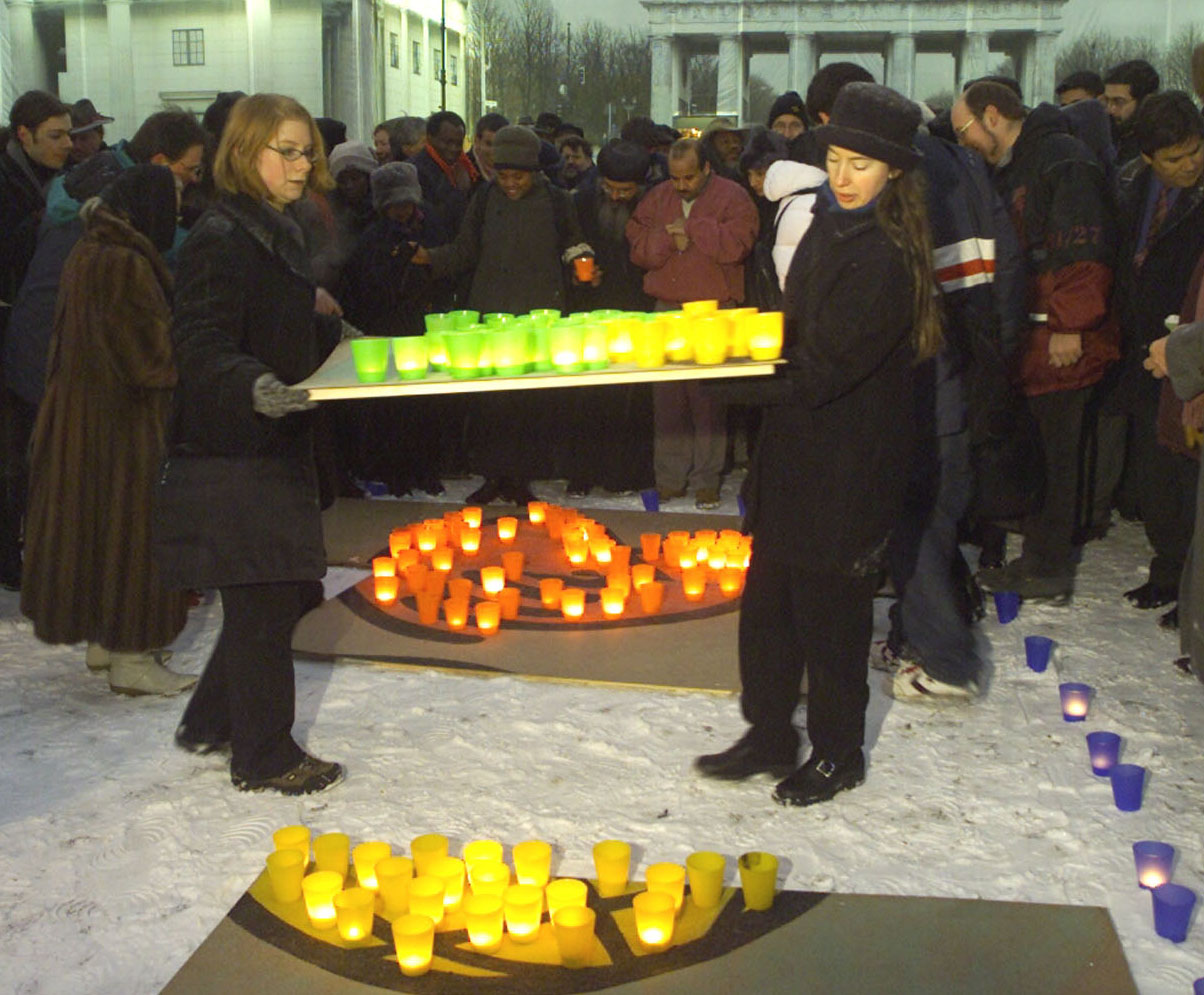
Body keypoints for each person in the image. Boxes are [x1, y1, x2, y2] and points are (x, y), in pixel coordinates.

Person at [695, 82, 941, 805]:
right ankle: (769, 730)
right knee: (768, 606)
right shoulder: (831, 224)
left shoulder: (887, 254)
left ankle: (839, 753)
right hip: (795, 451)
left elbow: (826, 369)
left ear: (893, 171)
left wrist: (728, 382)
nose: (843, 177)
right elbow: (794, 330)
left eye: (861, 165)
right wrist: (734, 343)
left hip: (849, 463)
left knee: (831, 618)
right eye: (834, 160)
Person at [155, 92, 344, 795]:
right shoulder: (221, 235)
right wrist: (255, 384)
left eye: (307, 152)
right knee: (266, 599)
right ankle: (265, 756)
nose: (302, 166)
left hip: (270, 443)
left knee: (283, 591)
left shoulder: (272, 227)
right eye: (287, 151)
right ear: (243, 152)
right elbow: (199, 339)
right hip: (234, 450)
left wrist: (332, 334)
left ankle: (212, 719)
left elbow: (271, 318)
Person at [21, 165, 194, 694]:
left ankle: (105, 638)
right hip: (124, 424)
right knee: (135, 535)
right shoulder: (125, 263)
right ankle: (132, 653)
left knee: (97, 531)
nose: (178, 213)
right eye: (173, 202)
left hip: (81, 416)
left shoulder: (89, 249)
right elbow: (148, 360)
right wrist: (191, 356)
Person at [954, 81, 1119, 603]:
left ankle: (1048, 566)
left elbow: (1084, 245)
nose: (963, 142)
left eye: (964, 130)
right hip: (1034, 333)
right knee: (1038, 451)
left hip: (1061, 335)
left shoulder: (1061, 159)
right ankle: (1037, 555)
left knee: (1058, 454)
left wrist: (1070, 323)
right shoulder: (1019, 163)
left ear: (992, 116)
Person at [413, 124, 593, 506]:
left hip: (539, 315)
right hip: (492, 313)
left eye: (518, 177)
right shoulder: (483, 198)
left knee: (528, 401)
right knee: (491, 401)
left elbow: (574, 243)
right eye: (503, 175)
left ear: (535, 172)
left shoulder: (557, 201)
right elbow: (465, 250)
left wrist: (584, 264)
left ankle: (521, 477)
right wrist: (431, 258)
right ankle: (493, 475)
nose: (510, 184)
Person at [1110, 92, 1204, 620]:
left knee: (1191, 475)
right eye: (1174, 158)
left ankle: (1194, 591)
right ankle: (1167, 571)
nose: (1190, 165)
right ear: (1148, 158)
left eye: (1196, 151)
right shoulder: (1128, 185)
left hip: (1193, 355)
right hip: (1144, 351)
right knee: (1156, 471)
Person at [627, 137, 759, 510]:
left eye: (689, 177)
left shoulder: (734, 197)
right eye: (675, 178)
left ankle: (707, 481)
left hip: (714, 310)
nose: (681, 185)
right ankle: (669, 479)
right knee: (667, 402)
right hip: (666, 309)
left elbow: (738, 246)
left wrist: (694, 228)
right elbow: (637, 246)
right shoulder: (657, 197)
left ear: (706, 169)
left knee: (708, 403)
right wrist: (668, 238)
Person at [0, 90, 73, 591]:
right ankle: (9, 558)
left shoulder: (49, 181)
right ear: (23, 135)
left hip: (30, 329)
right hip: (11, 329)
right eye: (55, 135)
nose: (66, 144)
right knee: (11, 455)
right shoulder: (12, 186)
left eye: (67, 134)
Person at [412, 110, 478, 235]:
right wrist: (460, 191)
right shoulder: (417, 171)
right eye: (448, 142)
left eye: (458, 144)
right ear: (430, 138)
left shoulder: (464, 167)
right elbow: (434, 219)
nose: (454, 149)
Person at [1104, 60, 1160, 167]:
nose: (1110, 109)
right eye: (1106, 101)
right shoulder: (1105, 139)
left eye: (1119, 102)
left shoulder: (1158, 144)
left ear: (1144, 101)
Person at [67, 98, 114, 166]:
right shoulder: (59, 167)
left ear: (100, 135)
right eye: (72, 139)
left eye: (84, 138)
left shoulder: (115, 164)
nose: (77, 146)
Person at [467, 112, 508, 184]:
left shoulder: (510, 169)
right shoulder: (461, 169)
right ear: (477, 141)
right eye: (489, 144)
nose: (494, 151)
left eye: (500, 145)